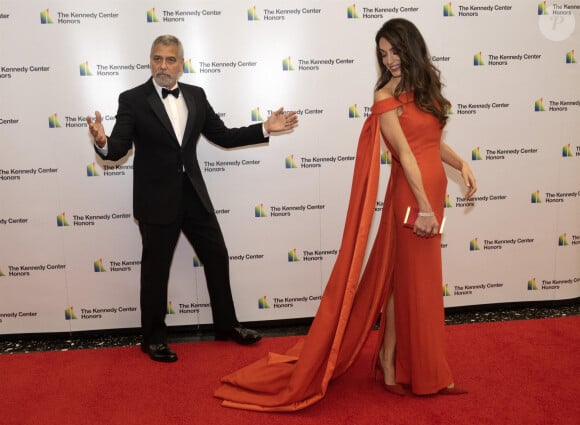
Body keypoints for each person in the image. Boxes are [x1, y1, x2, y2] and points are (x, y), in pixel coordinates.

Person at [214, 18, 477, 411]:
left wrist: (461, 165)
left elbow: (431, 143)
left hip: (433, 191)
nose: (388, 59)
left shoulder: (424, 90)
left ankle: (392, 362)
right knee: (415, 286)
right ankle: (414, 370)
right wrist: (423, 206)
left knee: (404, 283)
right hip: (413, 197)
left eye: (393, 50)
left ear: (411, 47)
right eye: (382, 53)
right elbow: (405, 156)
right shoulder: (386, 98)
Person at [86, 35, 298, 363]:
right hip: (156, 199)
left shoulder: (197, 95)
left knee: (217, 256)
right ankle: (153, 338)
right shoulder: (132, 99)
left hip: (194, 194)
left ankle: (227, 326)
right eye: (157, 59)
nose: (163, 66)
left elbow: (224, 137)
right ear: (150, 62)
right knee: (156, 270)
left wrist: (265, 128)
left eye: (170, 60)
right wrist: (102, 141)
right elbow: (119, 147)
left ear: (181, 65)